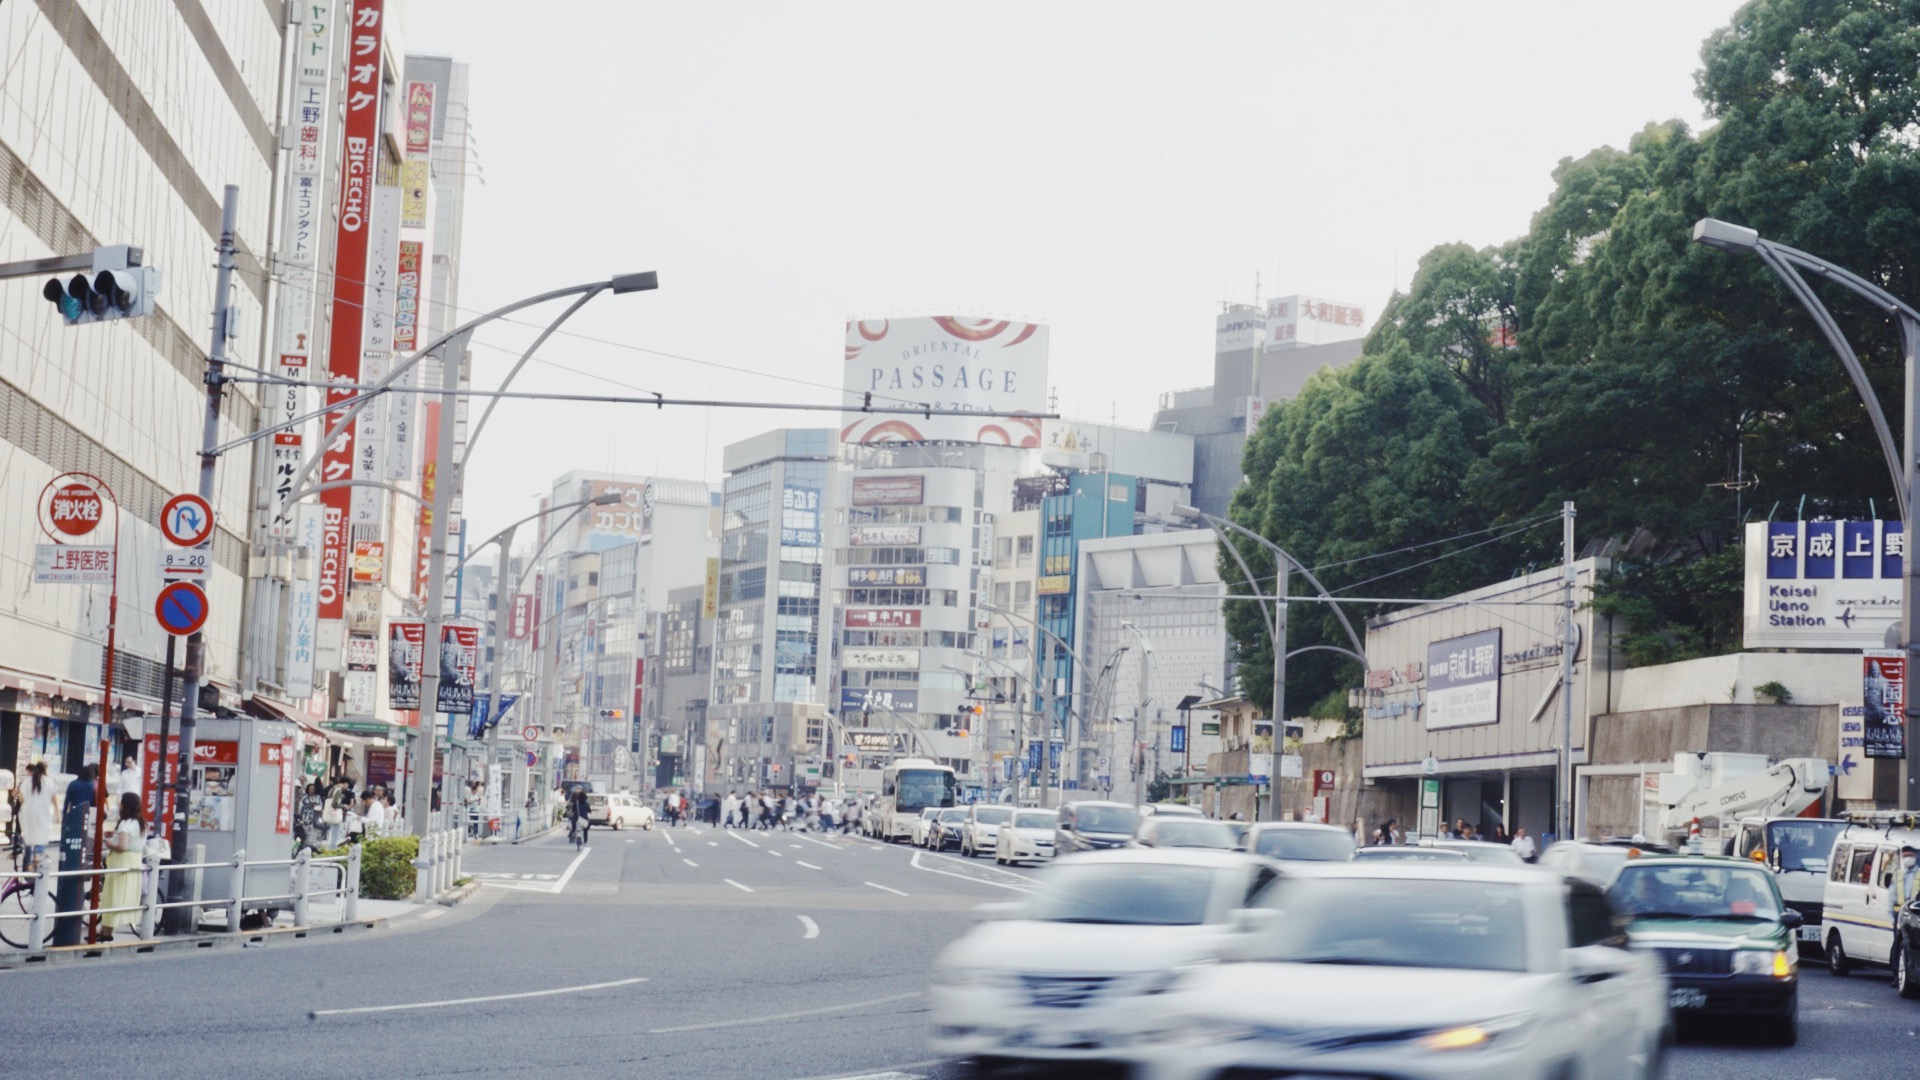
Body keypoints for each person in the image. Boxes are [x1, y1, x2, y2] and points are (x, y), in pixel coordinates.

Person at [100, 792, 144, 941]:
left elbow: (123, 846)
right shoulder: (140, 823)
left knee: (112, 896)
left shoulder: (125, 824)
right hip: (134, 862)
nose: (119, 805)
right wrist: (115, 834)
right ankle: (104, 932)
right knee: (122, 898)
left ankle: (106, 933)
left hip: (121, 861)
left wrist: (109, 843)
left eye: (121, 803)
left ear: (126, 806)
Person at [16, 760, 58, 869]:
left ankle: (29, 861)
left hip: (27, 813)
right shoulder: (49, 781)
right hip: (43, 813)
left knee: (29, 837)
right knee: (42, 835)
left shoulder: (27, 781)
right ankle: (38, 855)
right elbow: (54, 798)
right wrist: (58, 814)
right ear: (45, 770)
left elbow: (21, 798)